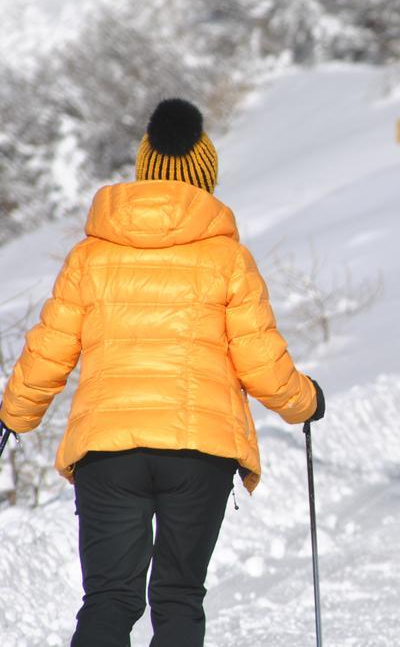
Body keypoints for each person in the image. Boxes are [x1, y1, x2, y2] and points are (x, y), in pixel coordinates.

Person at [0, 98, 326, 646]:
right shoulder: (227, 259)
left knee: (109, 600)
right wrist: (306, 402)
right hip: (199, 454)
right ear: (206, 178)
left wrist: (15, 413)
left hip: (109, 452)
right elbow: (261, 363)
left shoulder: (91, 257)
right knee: (177, 599)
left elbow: (50, 347)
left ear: (143, 170)